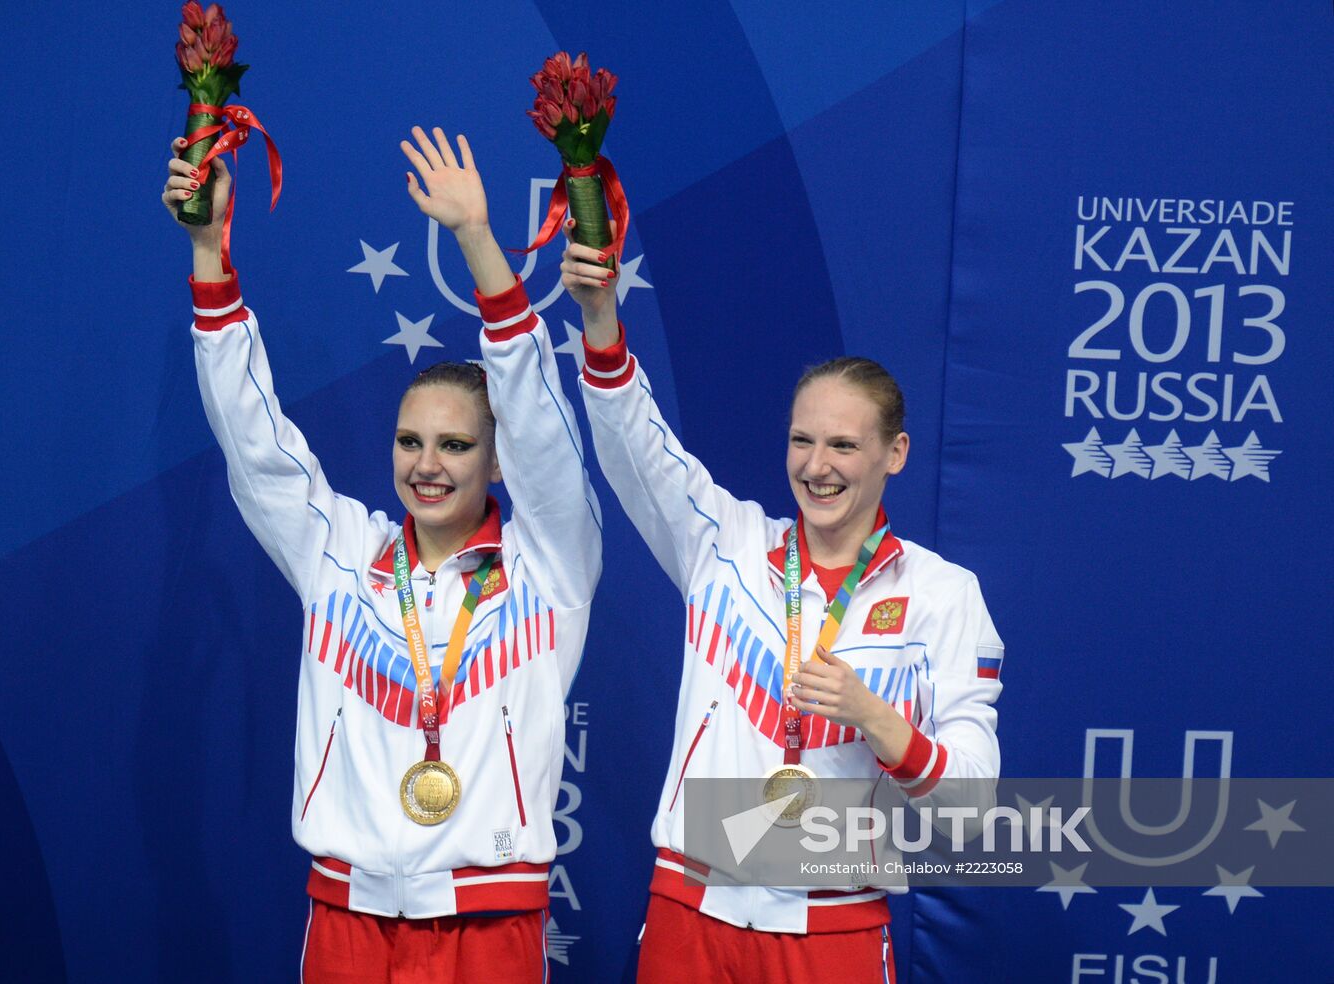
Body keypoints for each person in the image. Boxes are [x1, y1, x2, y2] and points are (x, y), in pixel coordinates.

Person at [162, 125, 600, 983]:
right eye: (409, 442)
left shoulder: (548, 568)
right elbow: (255, 444)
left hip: (490, 924)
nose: (426, 466)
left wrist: (478, 242)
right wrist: (210, 253)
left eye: (455, 446)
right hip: (348, 918)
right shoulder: (341, 555)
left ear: (496, 458)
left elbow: (547, 437)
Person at [560, 229, 1003, 982]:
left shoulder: (943, 594)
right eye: (802, 441)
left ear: (894, 454)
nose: (817, 466)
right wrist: (600, 320)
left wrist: (877, 718)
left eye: (843, 446)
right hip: (693, 909)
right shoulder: (725, 543)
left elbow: (973, 806)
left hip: (833, 927)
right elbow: (637, 443)